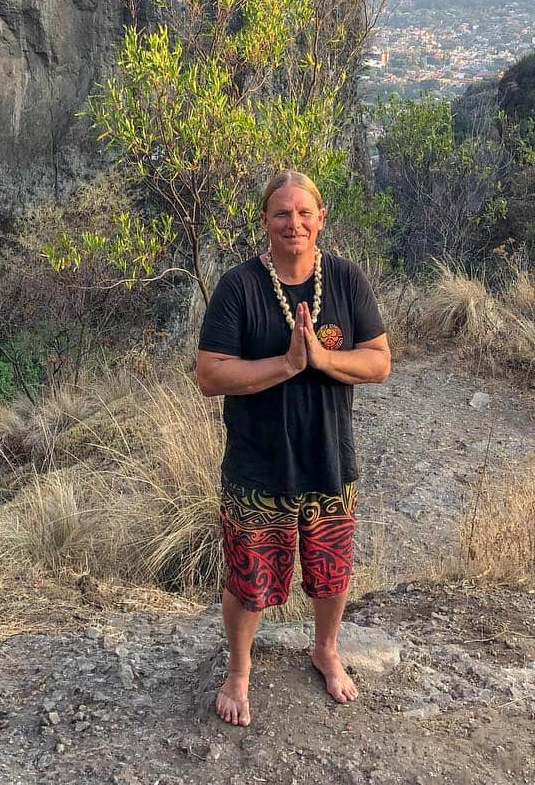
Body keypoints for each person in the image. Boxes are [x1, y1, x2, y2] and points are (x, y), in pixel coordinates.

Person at [196, 169, 391, 727]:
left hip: (329, 460)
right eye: (281, 213)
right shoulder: (239, 286)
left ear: (321, 218)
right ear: (265, 221)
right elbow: (210, 374)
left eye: (304, 212)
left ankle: (326, 650)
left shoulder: (347, 280)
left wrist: (324, 360)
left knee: (332, 571)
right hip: (258, 465)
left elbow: (378, 361)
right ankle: (239, 670)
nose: (294, 223)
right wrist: (284, 365)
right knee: (249, 577)